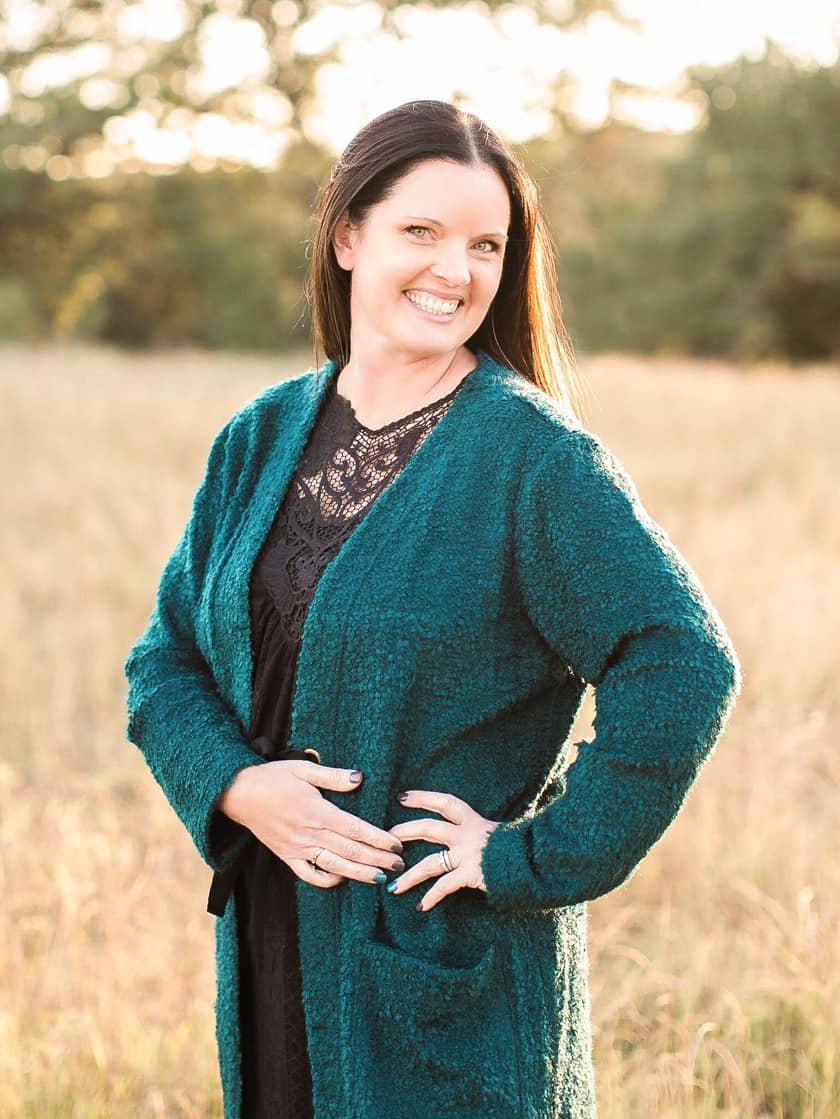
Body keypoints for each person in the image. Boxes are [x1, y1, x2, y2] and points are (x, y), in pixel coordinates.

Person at [124, 99, 741, 1119]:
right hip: (276, 946)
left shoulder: (532, 459)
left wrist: (529, 854)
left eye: (486, 245)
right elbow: (165, 656)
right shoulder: (262, 435)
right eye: (423, 231)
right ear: (348, 234)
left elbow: (681, 662)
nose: (455, 271)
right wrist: (237, 788)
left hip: (441, 979)